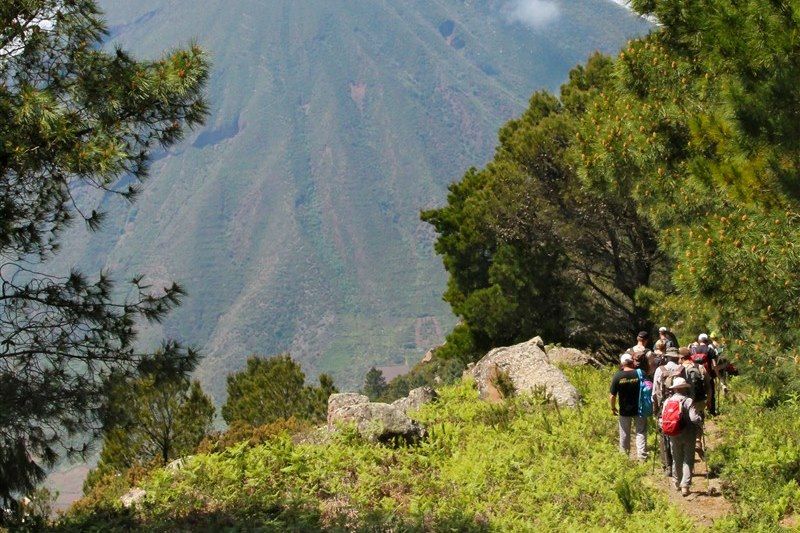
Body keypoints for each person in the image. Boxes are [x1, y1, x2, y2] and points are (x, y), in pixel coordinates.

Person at [660, 377, 703, 496]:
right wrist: (700, 421)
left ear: (675, 389)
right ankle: (685, 485)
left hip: (673, 432)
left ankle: (676, 482)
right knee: (688, 459)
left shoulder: (668, 401)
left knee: (676, 458)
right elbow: (694, 418)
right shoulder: (688, 401)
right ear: (684, 388)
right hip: (688, 432)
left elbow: (662, 417)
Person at [610, 353, 648, 460]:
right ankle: (642, 457)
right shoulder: (640, 373)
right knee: (641, 433)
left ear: (622, 363)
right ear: (632, 361)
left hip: (624, 410)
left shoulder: (618, 376)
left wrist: (613, 408)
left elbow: (612, 396)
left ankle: (624, 458)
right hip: (640, 408)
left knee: (624, 434)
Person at [653, 347, 681, 476]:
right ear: (677, 357)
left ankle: (668, 466)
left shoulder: (660, 370)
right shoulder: (682, 369)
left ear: (666, 357)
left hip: (665, 407)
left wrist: (656, 410)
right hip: (680, 406)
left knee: (664, 436)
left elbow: (655, 393)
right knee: (680, 433)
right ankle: (679, 464)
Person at [690, 333, 718, 415]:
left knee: (698, 393)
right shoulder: (709, 350)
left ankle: (699, 412)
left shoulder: (693, 350)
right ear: (707, 340)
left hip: (696, 375)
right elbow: (714, 364)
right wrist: (718, 375)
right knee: (711, 392)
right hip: (708, 375)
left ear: (699, 340)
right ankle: (711, 411)